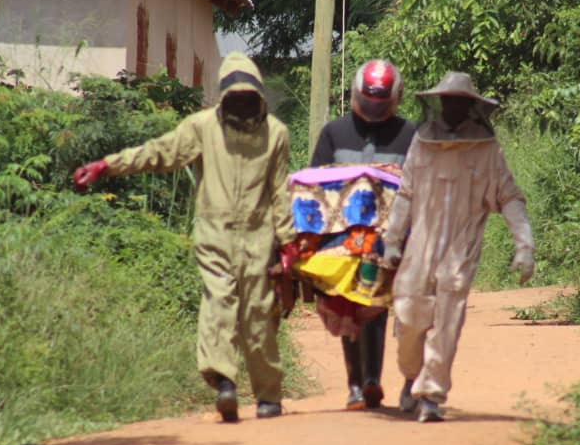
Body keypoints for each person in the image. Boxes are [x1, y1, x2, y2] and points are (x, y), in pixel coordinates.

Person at [72, 52, 299, 423]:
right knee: (219, 303)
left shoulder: (276, 134)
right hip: (214, 234)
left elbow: (279, 192)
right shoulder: (201, 127)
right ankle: (223, 380)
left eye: (248, 98)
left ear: (259, 97)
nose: (242, 106)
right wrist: (107, 165)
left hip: (259, 236)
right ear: (224, 99)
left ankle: (268, 395)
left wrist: (288, 242)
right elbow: (160, 153)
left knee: (258, 315)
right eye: (235, 98)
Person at [382, 72, 534, 423]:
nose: (452, 107)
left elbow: (509, 197)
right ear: (440, 102)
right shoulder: (423, 141)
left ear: (469, 106)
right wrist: (392, 241)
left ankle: (431, 395)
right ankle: (411, 375)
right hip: (420, 244)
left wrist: (524, 245)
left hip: (460, 249)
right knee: (408, 316)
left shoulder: (485, 148)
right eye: (447, 100)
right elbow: (405, 195)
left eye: (459, 102)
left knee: (447, 321)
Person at [309, 59, 417, 410]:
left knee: (378, 306)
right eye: (368, 100)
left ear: (394, 98)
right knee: (348, 305)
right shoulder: (334, 133)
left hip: (392, 236)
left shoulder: (410, 135)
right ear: (357, 94)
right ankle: (356, 383)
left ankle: (371, 380)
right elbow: (316, 182)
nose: (374, 108)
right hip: (344, 236)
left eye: (381, 103)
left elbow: (421, 183)